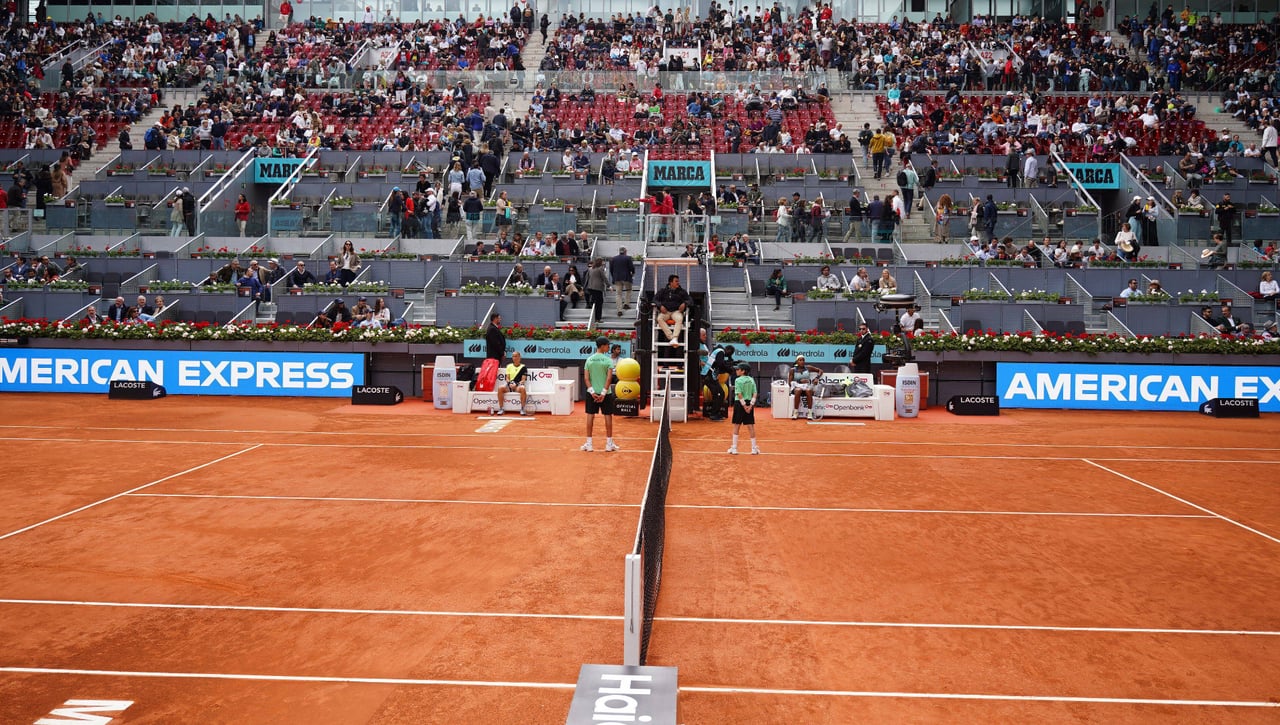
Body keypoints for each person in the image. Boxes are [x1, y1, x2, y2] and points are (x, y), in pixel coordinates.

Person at [581, 336, 619, 452]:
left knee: (590, 416)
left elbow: (586, 379)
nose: (609, 347)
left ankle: (589, 444)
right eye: (607, 345)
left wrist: (593, 392)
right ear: (602, 346)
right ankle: (608, 444)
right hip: (606, 394)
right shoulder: (608, 360)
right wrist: (603, 393)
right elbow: (608, 379)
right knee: (608, 416)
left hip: (591, 393)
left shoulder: (589, 360)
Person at [727, 362, 760, 455]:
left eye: (738, 369)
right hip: (749, 404)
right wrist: (750, 405)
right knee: (750, 426)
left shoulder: (737, 380)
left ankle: (734, 448)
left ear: (743, 371)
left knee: (737, 425)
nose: (736, 371)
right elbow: (755, 393)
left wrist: (744, 405)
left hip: (739, 404)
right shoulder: (751, 380)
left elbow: (739, 394)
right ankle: (754, 448)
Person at [654, 274, 691, 351]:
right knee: (659, 318)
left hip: (676, 311)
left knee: (680, 318)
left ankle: (674, 338)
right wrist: (660, 306)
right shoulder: (663, 291)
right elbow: (655, 300)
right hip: (665, 312)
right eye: (676, 281)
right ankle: (672, 338)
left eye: (678, 281)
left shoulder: (682, 291)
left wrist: (685, 303)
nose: (678, 283)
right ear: (671, 282)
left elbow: (690, 300)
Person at [789, 355, 822, 420]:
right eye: (800, 360)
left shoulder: (808, 367)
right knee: (798, 390)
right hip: (796, 387)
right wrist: (799, 381)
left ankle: (809, 413)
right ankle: (795, 412)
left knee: (809, 390)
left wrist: (817, 378)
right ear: (797, 362)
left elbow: (820, 370)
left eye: (803, 360)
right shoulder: (792, 370)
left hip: (806, 387)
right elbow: (789, 382)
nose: (802, 361)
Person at [502, 351, 530, 415]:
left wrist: (516, 384)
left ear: (519, 357)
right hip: (510, 385)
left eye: (516, 356)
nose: (514, 358)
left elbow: (523, 380)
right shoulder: (509, 366)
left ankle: (522, 409)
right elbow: (507, 378)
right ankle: (501, 408)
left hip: (518, 386)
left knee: (523, 389)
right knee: (500, 388)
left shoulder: (523, 367)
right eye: (513, 356)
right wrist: (510, 384)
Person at [610, 246, 635, 316]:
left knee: (618, 294)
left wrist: (614, 277)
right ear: (625, 251)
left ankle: (619, 310)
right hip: (627, 278)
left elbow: (611, 269)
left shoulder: (614, 258)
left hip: (617, 278)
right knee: (628, 290)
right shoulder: (628, 258)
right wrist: (632, 273)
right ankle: (626, 304)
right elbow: (632, 268)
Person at [586, 257, 609, 323]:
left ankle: (595, 316)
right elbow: (604, 277)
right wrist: (608, 285)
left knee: (595, 302)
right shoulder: (600, 269)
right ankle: (598, 318)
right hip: (598, 288)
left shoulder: (590, 269)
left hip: (591, 287)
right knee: (599, 303)